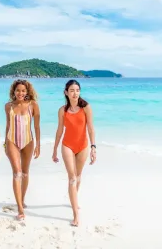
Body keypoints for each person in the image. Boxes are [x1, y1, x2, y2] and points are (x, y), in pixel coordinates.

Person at [52, 79, 96, 227]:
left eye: (77, 90)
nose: (75, 93)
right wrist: (54, 149)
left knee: (78, 176)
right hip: (67, 145)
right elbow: (59, 131)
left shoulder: (86, 107)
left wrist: (93, 147)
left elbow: (90, 128)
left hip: (83, 146)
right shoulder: (62, 110)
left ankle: (73, 198)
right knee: (72, 178)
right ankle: (75, 214)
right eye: (72, 90)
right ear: (66, 92)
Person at [4, 79, 41, 221]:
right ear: (14, 91)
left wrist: (38, 145)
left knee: (25, 173)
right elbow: (8, 125)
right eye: (18, 90)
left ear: (27, 92)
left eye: (23, 91)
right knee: (17, 173)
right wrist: (5, 143)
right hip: (11, 141)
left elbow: (37, 127)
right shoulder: (8, 106)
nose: (20, 93)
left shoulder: (33, 105)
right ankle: (19, 207)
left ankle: (22, 199)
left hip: (28, 142)